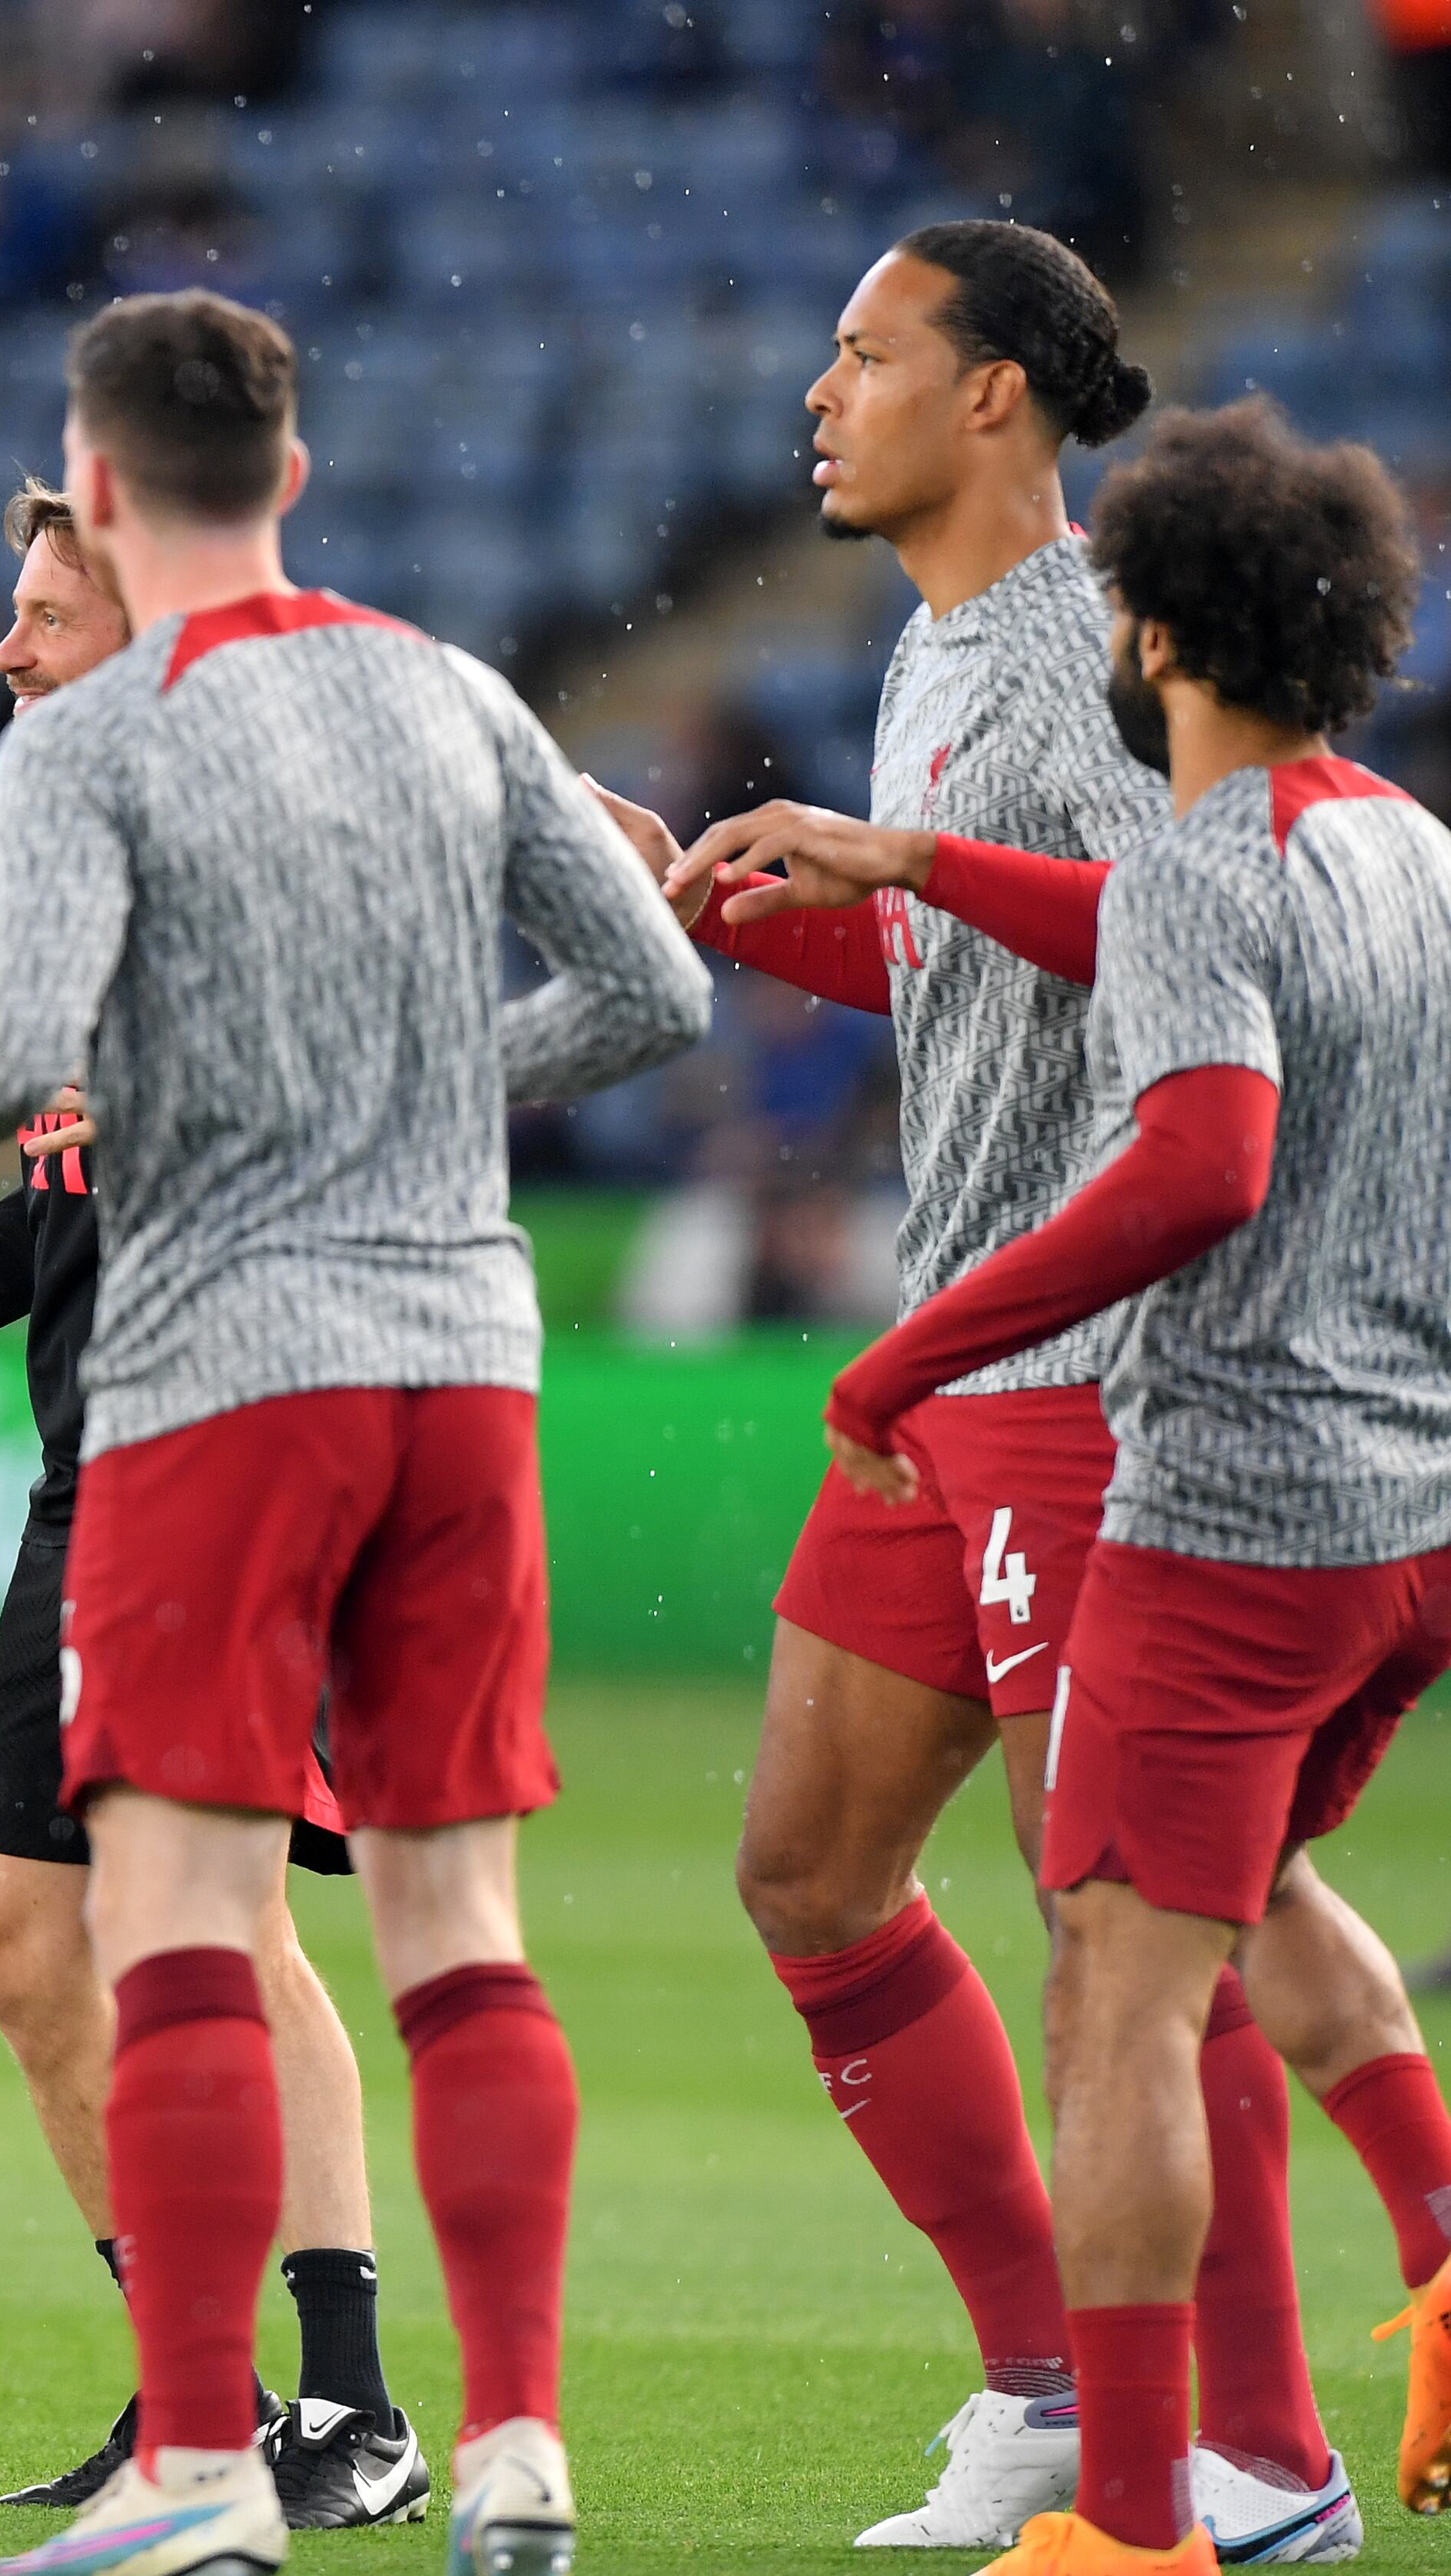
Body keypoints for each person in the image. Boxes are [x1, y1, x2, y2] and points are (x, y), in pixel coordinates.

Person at [0, 288, 710, 2576]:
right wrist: (410, 1092)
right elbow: (659, 989)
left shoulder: (98, 745)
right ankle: (511, 2452)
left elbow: (0, 1051)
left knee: (189, 1918)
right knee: (458, 1921)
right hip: (469, 1360)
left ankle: (214, 2479)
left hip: (231, 1378)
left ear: (107, 491)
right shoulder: (454, 690)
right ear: (296, 478)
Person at [595, 223, 1410, 2557]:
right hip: (946, 1364)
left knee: (1126, 1932)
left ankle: (1263, 2453)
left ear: (997, 402)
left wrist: (916, 859)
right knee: (813, 1873)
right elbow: (974, 966)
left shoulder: (1082, 654)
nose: (817, 395)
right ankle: (1054, 2382)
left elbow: (1184, 935)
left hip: (1081, 1368)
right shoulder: (929, 657)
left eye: (864, 354)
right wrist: (754, 910)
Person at [791, 403, 1451, 2576]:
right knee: (1234, 1912)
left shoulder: (1195, 859)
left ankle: (1175, 2506)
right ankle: (1436, 2268)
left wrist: (924, 1341)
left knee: (1128, 1988)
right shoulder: (1407, 847)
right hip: (1404, 1514)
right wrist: (911, 870)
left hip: (1221, 1501)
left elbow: (1199, 1157)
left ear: (1152, 624)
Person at [0, 476, 422, 2530]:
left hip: (220, 1456)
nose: (2, 645)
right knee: (29, 1947)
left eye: (44, 613)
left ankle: (326, 2410)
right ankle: (225, 2401)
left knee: (200, 1927)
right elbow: (68, 1158)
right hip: (100, 1475)